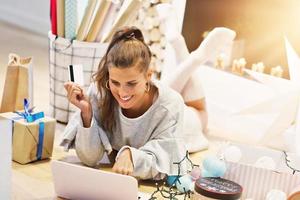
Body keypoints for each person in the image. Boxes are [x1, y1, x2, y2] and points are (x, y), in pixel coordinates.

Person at [61, 26, 236, 180]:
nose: (121, 92)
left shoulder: (170, 105)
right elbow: (89, 158)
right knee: (147, 93)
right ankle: (185, 54)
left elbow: (168, 162)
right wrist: (86, 113)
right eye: (115, 82)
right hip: (151, 95)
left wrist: (132, 156)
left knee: (200, 113)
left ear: (149, 76)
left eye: (131, 83)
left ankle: (194, 59)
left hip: (186, 123)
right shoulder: (99, 92)